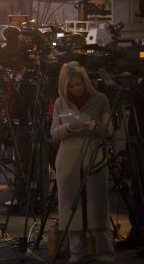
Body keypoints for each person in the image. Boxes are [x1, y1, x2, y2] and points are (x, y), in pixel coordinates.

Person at [51, 63, 114, 263]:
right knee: (71, 207)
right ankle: (76, 253)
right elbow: (54, 133)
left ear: (85, 81)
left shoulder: (100, 99)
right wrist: (67, 128)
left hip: (94, 157)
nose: (76, 89)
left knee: (98, 206)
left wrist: (97, 126)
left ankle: (105, 253)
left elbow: (110, 130)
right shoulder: (60, 103)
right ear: (65, 87)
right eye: (71, 86)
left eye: (78, 84)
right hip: (68, 159)